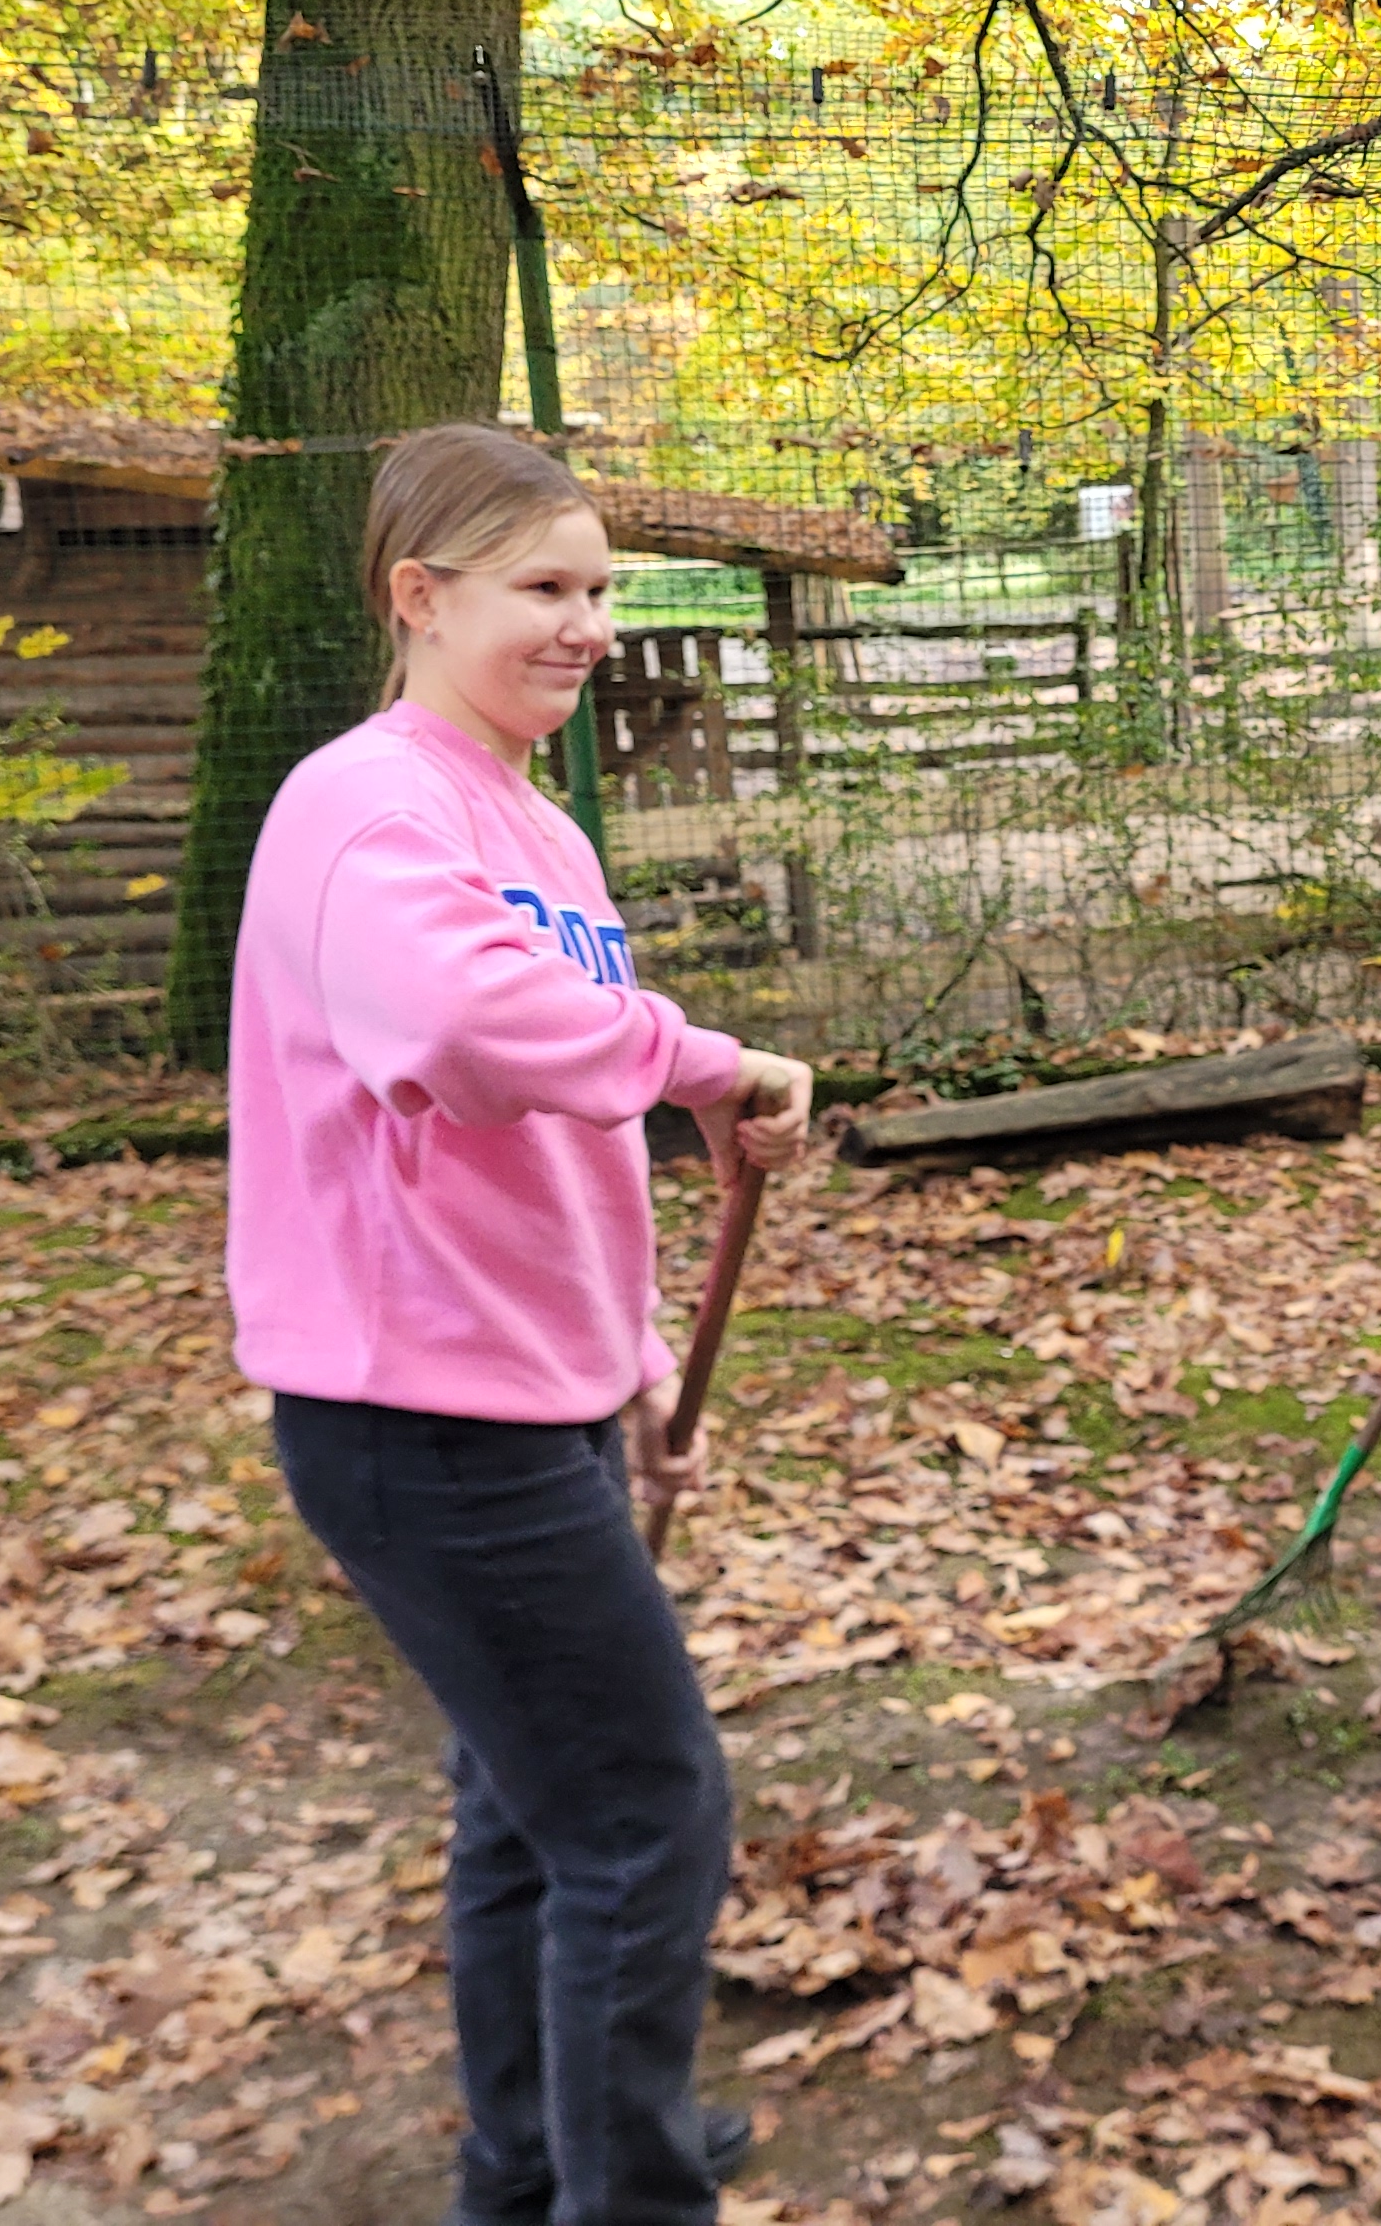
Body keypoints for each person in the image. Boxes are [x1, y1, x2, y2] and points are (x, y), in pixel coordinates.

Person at [226, 424, 815, 2226]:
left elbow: (552, 1149)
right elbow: (464, 1031)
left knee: (531, 1805)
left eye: (602, 589)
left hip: (513, 1387)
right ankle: (620, 2191)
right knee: (644, 1813)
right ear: (421, 596)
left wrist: (629, 1368)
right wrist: (706, 1061)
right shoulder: (367, 804)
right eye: (545, 588)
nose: (589, 626)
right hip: (419, 1418)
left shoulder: (533, 819)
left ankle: (541, 2154)